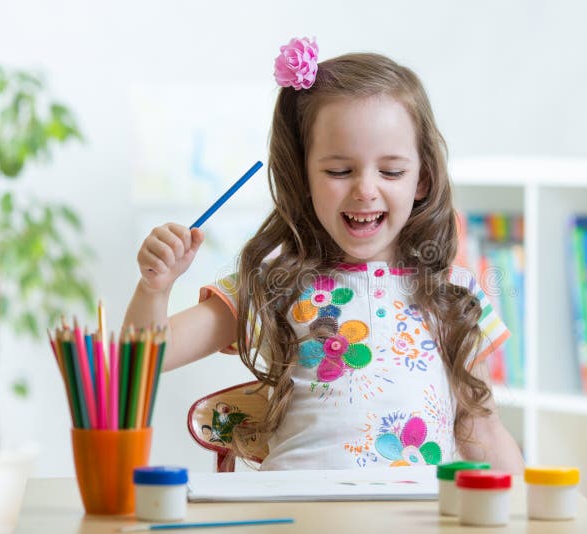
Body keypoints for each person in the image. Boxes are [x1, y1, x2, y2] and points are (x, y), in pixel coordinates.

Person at [123, 37, 525, 473]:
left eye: (391, 171)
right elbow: (137, 360)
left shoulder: (453, 293)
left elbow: (483, 432)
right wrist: (154, 288)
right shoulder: (273, 284)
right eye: (339, 171)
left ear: (423, 179)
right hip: (298, 515)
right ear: (304, 175)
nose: (366, 189)